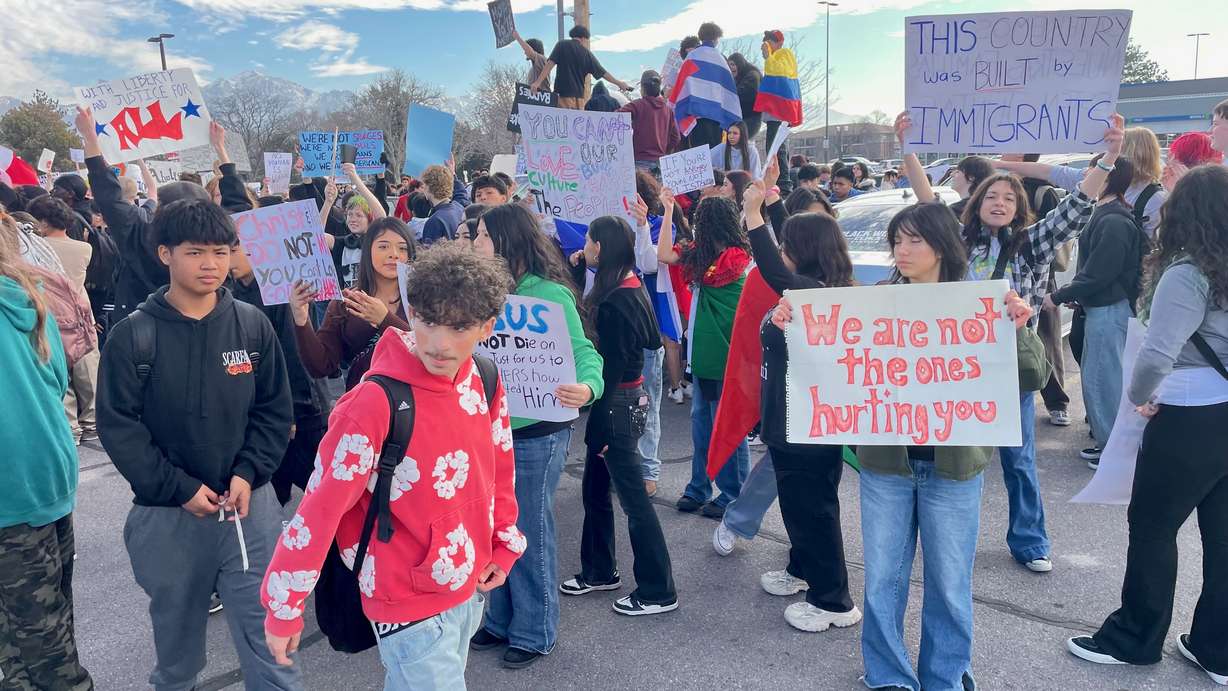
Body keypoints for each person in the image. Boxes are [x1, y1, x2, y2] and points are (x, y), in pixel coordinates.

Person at [775, 199, 1047, 689]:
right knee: (883, 580)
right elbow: (829, 362)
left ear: (942, 246)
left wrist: (1021, 329)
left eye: (913, 239)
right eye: (896, 240)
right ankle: (888, 674)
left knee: (948, 584)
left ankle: (946, 674)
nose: (902, 249)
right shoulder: (875, 301)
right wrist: (789, 321)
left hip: (954, 471)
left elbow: (1032, 375)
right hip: (887, 468)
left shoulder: (981, 304)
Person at [261, 242, 523, 690]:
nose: (440, 343)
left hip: (467, 584)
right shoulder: (374, 403)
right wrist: (284, 606)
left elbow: (497, 467)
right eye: (427, 320)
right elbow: (319, 509)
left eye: (459, 326)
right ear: (410, 312)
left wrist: (503, 542)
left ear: (486, 327)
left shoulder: (485, 376)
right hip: (404, 595)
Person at [900, 109, 1126, 573]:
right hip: (958, 369)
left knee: (1019, 461)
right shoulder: (956, 242)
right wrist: (907, 147)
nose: (1000, 202)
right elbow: (925, 199)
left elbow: (1077, 207)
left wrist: (1108, 158)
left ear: (1018, 206)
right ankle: (947, 542)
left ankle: (1030, 541)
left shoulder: (1032, 243)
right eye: (992, 195)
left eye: (1009, 196)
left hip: (1007, 370)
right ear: (977, 201)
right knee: (956, 461)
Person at [96, 199, 297, 690]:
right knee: (178, 652)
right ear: (165, 254)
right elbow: (118, 427)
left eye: (221, 251)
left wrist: (249, 472)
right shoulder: (133, 336)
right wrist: (179, 488)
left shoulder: (252, 325)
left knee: (269, 643)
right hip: (168, 516)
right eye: (195, 252)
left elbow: (275, 412)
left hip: (251, 512)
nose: (211, 264)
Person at [1066, 164, 1228, 687]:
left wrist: (1138, 398)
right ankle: (1217, 648)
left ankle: (1135, 638)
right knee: (1223, 537)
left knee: (1154, 527)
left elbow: (1158, 354)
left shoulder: (1188, 272)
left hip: (1187, 414)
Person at [468, 204, 604, 667]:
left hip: (537, 434)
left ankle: (534, 629)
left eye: (483, 236)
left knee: (527, 530)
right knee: (492, 530)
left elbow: (586, 354)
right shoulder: (479, 292)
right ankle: (499, 619)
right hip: (487, 431)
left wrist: (587, 387)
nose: (475, 244)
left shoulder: (550, 295)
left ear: (507, 242)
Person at [561, 214, 677, 616]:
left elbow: (609, 368)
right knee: (594, 490)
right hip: (624, 401)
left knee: (633, 502)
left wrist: (600, 416)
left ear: (602, 247)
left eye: (591, 241)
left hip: (616, 405)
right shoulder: (628, 285)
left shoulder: (615, 300)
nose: (586, 247)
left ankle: (658, 590)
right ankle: (598, 570)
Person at [0, 209, 94, 691]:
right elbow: (58, 377)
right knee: (52, 624)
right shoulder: (28, 295)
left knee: (29, 647)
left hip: (10, 491)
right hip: (49, 473)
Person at [75, 107, 247, 324]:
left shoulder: (138, 229)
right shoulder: (218, 233)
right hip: (209, 324)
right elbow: (240, 205)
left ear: (159, 208)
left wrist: (91, 138)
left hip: (141, 328)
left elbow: (108, 196)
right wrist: (220, 148)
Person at [1046, 156, 1145, 468]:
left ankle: (1115, 452)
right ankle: (1109, 445)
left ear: (1108, 179)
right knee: (1100, 379)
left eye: (1092, 170)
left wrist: (1061, 295)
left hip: (1109, 311)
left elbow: (1100, 273)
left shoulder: (1113, 220)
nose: (1085, 175)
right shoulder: (1108, 215)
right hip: (1102, 307)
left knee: (1104, 381)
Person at [658, 195, 751, 517]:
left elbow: (668, 255)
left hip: (725, 358)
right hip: (705, 356)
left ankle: (731, 494)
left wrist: (669, 210)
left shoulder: (736, 260)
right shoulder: (702, 257)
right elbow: (664, 254)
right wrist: (668, 210)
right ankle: (700, 487)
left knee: (726, 429)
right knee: (702, 427)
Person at [229, 231, 328, 506]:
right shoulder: (232, 291)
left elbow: (291, 354)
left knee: (318, 492)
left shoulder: (277, 291)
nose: (228, 258)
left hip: (300, 412)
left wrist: (291, 412)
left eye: (235, 249)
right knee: (273, 495)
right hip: (261, 412)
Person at [292, 217, 414, 391]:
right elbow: (321, 366)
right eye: (383, 246)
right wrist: (301, 320)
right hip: (363, 404)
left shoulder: (423, 299)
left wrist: (385, 320)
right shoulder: (346, 301)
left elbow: (431, 352)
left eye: (402, 248)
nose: (394, 254)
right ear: (368, 251)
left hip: (416, 404)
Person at [27, 195, 99, 445]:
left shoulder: (36, 250)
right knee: (87, 368)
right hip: (80, 311)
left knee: (60, 369)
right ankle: (92, 421)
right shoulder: (84, 248)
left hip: (49, 312)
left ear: (43, 222)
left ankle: (71, 426)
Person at [672, 22, 741, 150]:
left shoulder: (692, 56)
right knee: (715, 152)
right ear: (715, 39)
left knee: (699, 154)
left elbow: (682, 86)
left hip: (696, 117)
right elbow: (728, 90)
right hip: (716, 117)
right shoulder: (720, 59)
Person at [531, 25, 632, 109]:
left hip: (563, 95)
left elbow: (549, 65)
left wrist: (537, 82)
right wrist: (619, 83)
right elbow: (603, 73)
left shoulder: (561, 45)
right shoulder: (586, 54)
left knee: (563, 126)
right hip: (579, 98)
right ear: (583, 38)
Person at [755, 30, 802, 195]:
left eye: (769, 42)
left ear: (779, 43)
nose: (766, 46)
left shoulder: (784, 54)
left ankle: (784, 186)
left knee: (776, 148)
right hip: (776, 110)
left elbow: (779, 72)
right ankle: (781, 184)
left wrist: (769, 56)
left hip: (781, 110)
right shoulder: (776, 57)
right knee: (774, 147)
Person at [619, 70, 682, 174]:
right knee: (656, 190)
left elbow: (613, 118)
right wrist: (663, 150)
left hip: (639, 164)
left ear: (643, 88)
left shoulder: (637, 105)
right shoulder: (668, 110)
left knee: (639, 190)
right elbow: (676, 138)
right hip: (659, 165)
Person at [420, 163, 471, 244]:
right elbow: (462, 195)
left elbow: (429, 255)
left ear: (427, 187)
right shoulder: (459, 207)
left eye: (423, 185)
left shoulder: (435, 221)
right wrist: (453, 174)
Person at [727, 53, 763, 139]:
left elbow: (741, 95)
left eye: (733, 64)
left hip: (751, 119)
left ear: (739, 64)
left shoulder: (752, 75)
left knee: (742, 144)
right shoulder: (738, 78)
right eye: (729, 65)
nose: (731, 68)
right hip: (742, 118)